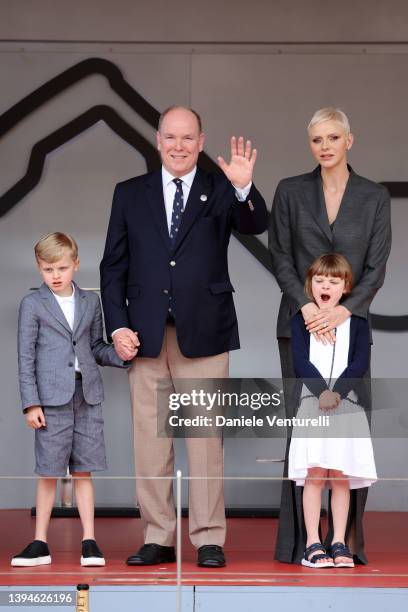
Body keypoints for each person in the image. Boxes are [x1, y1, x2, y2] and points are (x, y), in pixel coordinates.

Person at [100, 105, 268, 567]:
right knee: (149, 442)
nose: (179, 145)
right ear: (157, 140)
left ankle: (209, 537)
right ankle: (158, 536)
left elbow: (257, 224)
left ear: (201, 141)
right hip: (145, 335)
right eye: (171, 137)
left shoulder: (220, 189)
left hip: (205, 331)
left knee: (205, 439)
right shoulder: (129, 194)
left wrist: (243, 187)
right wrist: (117, 325)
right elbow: (112, 265)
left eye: (188, 138)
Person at [268, 107, 391, 564]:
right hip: (296, 326)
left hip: (352, 329)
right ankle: (301, 544)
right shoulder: (290, 191)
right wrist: (306, 308)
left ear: (349, 141)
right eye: (317, 139)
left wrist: (344, 311)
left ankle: (346, 542)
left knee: (348, 438)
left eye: (333, 138)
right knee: (302, 439)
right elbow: (278, 255)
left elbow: (377, 268)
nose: (325, 146)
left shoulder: (374, 196)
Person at [12, 232, 131, 568]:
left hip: (87, 394)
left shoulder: (91, 303)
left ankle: (89, 541)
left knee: (84, 471)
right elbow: (26, 357)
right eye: (48, 269)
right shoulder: (33, 304)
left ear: (76, 265)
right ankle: (39, 543)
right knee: (48, 472)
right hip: (50, 400)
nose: (56, 275)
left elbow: (95, 347)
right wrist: (31, 402)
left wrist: (122, 356)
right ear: (39, 268)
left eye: (62, 267)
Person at [288, 253, 377, 568]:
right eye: (319, 280)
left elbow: (359, 364)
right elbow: (301, 362)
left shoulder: (359, 323)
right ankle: (313, 542)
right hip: (313, 405)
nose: (325, 285)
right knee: (314, 474)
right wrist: (321, 393)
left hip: (346, 407)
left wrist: (336, 393)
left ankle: (339, 541)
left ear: (346, 286)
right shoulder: (300, 320)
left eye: (333, 281)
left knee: (340, 474)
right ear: (310, 285)